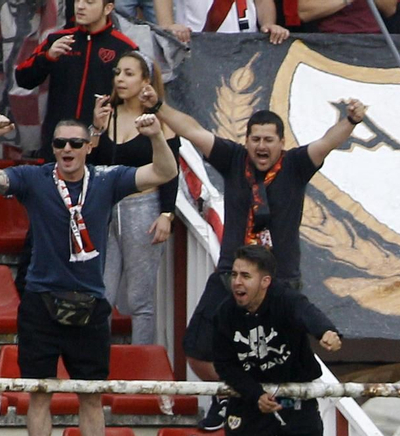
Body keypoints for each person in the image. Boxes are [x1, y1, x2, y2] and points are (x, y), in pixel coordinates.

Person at [0, 110, 175, 436]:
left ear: (89, 146)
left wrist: (156, 136)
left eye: (75, 143)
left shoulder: (106, 179)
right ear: (52, 148)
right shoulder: (34, 178)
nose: (67, 149)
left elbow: (164, 172)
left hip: (90, 302)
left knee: (91, 395)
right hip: (40, 300)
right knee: (39, 393)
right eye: (59, 143)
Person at [157, 98, 368, 382]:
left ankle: (269, 400)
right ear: (246, 141)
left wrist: (351, 121)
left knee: (284, 360)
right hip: (232, 275)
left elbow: (328, 142)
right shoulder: (233, 159)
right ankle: (240, 395)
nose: (261, 146)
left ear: (281, 143)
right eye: (255, 139)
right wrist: (158, 106)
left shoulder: (296, 164)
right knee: (197, 351)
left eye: (269, 140)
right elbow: (192, 131)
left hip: (280, 280)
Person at [211, 244, 341, 436]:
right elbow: (224, 364)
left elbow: (308, 313)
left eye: (245, 276)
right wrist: (255, 394)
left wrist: (326, 332)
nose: (237, 282)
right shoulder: (224, 312)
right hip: (248, 402)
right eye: (234, 275)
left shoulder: (285, 299)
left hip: (294, 398)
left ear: (265, 281)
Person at [89, 52, 181, 348]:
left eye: (129, 74)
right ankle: (96, 361)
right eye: (118, 72)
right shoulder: (108, 114)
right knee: (102, 294)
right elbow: (89, 163)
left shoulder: (159, 120)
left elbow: (171, 170)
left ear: (145, 80)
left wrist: (167, 214)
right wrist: (96, 129)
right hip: (108, 209)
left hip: (144, 206)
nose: (120, 79)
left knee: (140, 298)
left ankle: (142, 363)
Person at [12, 0, 139, 145]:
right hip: (59, 140)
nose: (80, 6)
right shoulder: (57, 40)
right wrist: (48, 57)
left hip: (104, 140)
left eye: (89, 2)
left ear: (108, 8)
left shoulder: (125, 47)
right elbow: (22, 79)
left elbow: (135, 97)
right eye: (77, 1)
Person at [154, 0, 290, 43]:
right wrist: (167, 24)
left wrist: (268, 23)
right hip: (196, 44)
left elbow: (262, 1)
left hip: (247, 44)